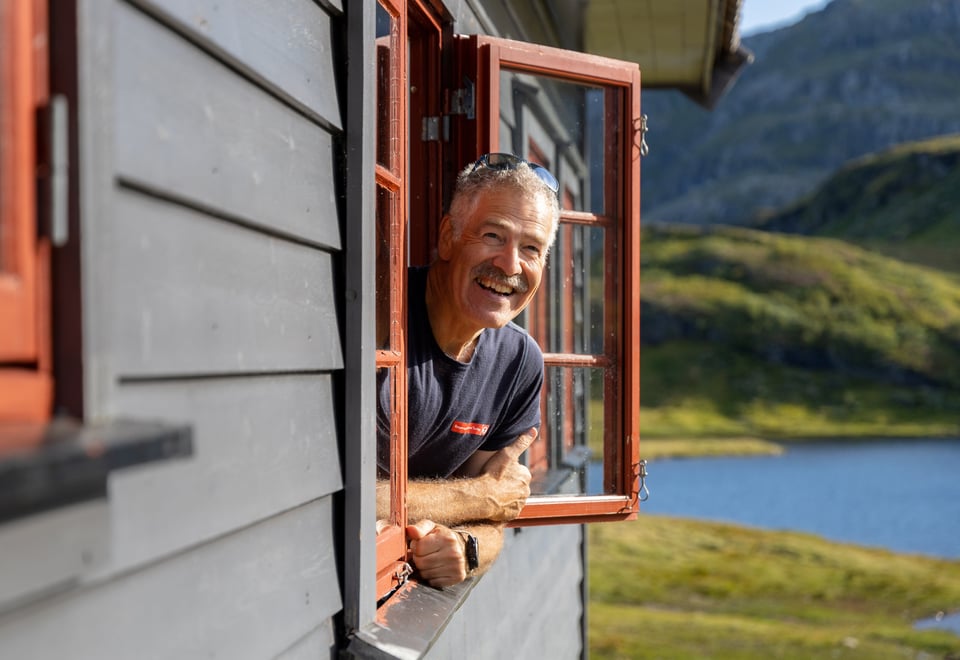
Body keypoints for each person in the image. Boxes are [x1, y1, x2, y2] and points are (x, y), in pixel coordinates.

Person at [377, 153, 561, 588]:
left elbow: (494, 516)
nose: (510, 265)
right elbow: (341, 499)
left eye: (531, 249)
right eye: (494, 236)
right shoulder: (379, 320)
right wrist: (476, 496)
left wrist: (466, 547)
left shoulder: (519, 361)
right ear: (448, 237)